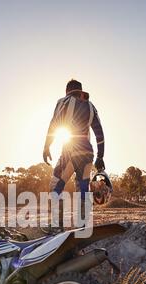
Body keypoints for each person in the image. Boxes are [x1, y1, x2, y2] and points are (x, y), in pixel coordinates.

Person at [43, 79, 105, 231]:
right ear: (80, 91)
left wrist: (46, 146)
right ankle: (82, 226)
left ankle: (57, 226)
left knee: (56, 185)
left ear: (67, 91)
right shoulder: (91, 106)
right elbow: (99, 133)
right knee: (83, 187)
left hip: (71, 149)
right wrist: (100, 156)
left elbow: (54, 124)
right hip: (88, 152)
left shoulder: (63, 102)